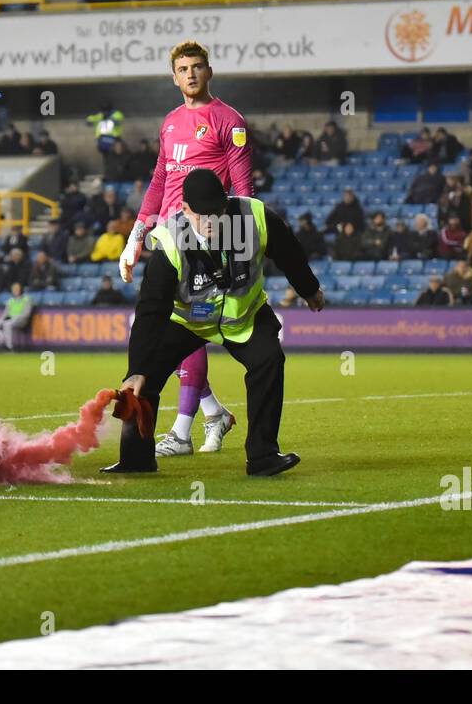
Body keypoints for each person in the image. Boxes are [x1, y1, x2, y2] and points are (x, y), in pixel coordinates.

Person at [102, 169, 324, 476]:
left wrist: (309, 289)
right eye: (202, 215)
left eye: (217, 214)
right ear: (185, 209)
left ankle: (262, 457)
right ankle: (136, 459)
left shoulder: (254, 216)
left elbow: (289, 252)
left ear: (226, 204)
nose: (211, 223)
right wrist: (136, 369)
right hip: (187, 320)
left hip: (244, 317)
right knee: (144, 379)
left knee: (269, 361)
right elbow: (151, 310)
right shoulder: (168, 242)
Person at [118, 40, 252, 457]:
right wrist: (136, 236)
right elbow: (159, 181)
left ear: (209, 71)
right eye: (182, 69)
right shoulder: (171, 122)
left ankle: (181, 432)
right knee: (170, 332)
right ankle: (214, 414)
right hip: (167, 240)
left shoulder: (229, 121)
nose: (190, 74)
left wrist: (242, 246)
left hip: (206, 239)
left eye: (197, 67)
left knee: (187, 329)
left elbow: (244, 191)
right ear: (173, 76)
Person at [0, 283, 33, 351]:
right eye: (14, 289)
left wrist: (14, 317)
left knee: (7, 324)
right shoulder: (11, 300)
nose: (15, 291)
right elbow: (5, 313)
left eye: (17, 289)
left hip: (21, 320)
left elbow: (26, 314)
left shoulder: (26, 299)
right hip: (10, 319)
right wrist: (2, 319)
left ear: (21, 289)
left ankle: (9, 347)